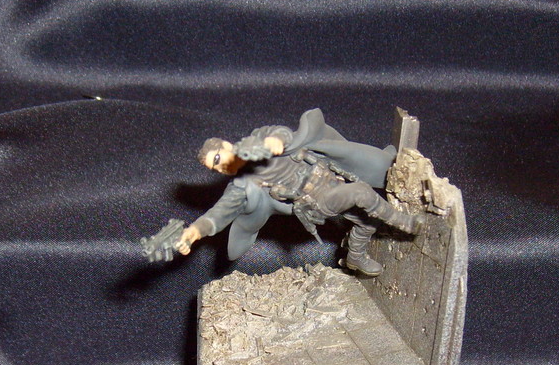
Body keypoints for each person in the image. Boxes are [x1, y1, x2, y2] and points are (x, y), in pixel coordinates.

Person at [176, 109, 423, 276]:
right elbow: (218, 214)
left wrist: (276, 142)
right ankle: (405, 222)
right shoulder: (241, 186)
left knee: (366, 221)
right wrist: (194, 232)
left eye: (218, 159)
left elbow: (281, 132)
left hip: (331, 178)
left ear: (226, 145)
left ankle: (355, 256)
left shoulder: (258, 137)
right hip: (316, 199)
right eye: (216, 168)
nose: (221, 167)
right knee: (361, 193)